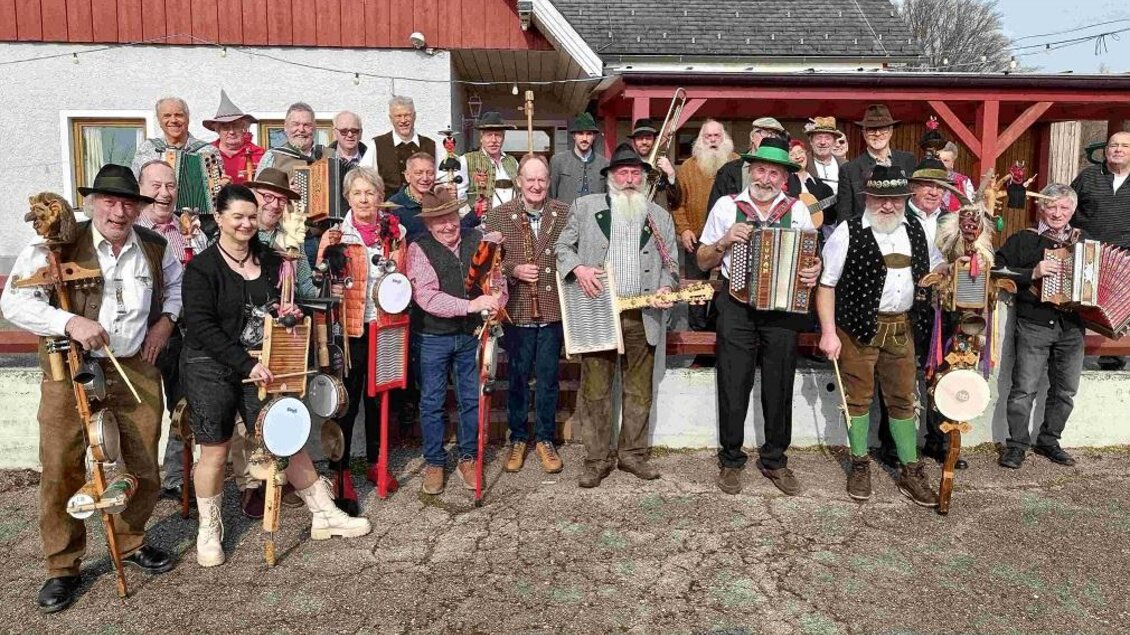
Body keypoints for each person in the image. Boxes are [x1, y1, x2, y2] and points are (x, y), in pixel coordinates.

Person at [2, 164, 181, 612]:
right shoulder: (57, 244)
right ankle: (63, 567)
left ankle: (131, 539)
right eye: (110, 202)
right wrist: (70, 321)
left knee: (142, 459)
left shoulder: (156, 248)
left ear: (140, 208)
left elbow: (176, 290)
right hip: (70, 368)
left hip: (135, 365)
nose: (119, 212)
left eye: (128, 204)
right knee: (62, 464)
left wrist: (164, 322)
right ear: (92, 203)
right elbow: (14, 301)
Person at [181, 184, 371, 568]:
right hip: (210, 366)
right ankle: (209, 529)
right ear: (219, 218)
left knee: (285, 438)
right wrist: (244, 362)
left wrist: (292, 315)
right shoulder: (201, 268)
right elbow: (201, 325)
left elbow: (286, 303)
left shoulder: (271, 259)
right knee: (215, 450)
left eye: (251, 217)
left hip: (263, 363)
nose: (246, 224)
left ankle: (323, 513)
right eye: (237, 217)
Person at [696, 138, 821, 495]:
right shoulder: (726, 206)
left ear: (785, 179)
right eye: (761, 170)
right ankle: (731, 458)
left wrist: (815, 269)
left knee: (779, 384)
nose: (766, 179)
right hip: (735, 304)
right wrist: (723, 242)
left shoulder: (796, 210)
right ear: (750, 171)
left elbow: (810, 259)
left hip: (781, 308)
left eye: (775, 173)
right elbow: (703, 260)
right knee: (733, 382)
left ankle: (775, 460)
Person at [815, 165, 946, 509]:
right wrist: (829, 332)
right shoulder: (847, 231)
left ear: (906, 199)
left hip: (902, 328)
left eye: (895, 199)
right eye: (879, 199)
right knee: (857, 399)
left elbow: (938, 267)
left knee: (903, 400)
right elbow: (826, 284)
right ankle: (859, 462)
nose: (887, 206)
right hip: (857, 328)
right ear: (868, 198)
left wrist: (961, 264)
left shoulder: (917, 230)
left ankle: (909, 470)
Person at [556, 143, 678, 488]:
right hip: (599, 310)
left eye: (635, 173)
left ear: (643, 178)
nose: (628, 179)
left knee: (639, 390)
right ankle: (596, 459)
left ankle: (633, 455)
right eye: (622, 173)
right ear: (609, 177)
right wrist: (578, 267)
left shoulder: (659, 216)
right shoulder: (585, 207)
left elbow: (671, 265)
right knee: (596, 390)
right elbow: (562, 248)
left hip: (643, 314)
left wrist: (667, 288)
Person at [406, 190, 507, 494]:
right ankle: (435, 461)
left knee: (470, 399)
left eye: (451, 217)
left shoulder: (478, 239)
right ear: (429, 224)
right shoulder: (418, 248)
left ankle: (468, 458)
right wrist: (472, 306)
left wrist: (497, 300)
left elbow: (498, 279)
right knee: (432, 401)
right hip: (432, 336)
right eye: (439, 220)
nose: (448, 226)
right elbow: (427, 296)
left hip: (470, 336)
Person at [316, 167, 404, 512]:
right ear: (348, 198)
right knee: (347, 400)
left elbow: (402, 276)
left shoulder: (394, 233)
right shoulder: (338, 235)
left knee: (381, 397)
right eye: (358, 194)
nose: (365, 199)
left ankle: (376, 461)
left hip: (385, 323)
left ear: (380, 197)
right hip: (350, 328)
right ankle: (341, 472)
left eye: (371, 193)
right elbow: (321, 276)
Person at [482, 155, 569, 474]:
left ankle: (545, 438)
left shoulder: (563, 213)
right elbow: (486, 262)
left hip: (551, 309)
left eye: (541, 180)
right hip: (517, 310)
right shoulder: (498, 215)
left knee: (547, 379)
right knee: (517, 378)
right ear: (518, 181)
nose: (536, 185)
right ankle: (517, 438)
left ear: (548, 182)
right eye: (529, 179)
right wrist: (513, 269)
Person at [996, 184, 1086, 469]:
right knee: (1024, 389)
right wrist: (1031, 273)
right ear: (1041, 208)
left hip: (1072, 327)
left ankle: (1049, 441)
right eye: (1052, 207)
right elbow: (997, 270)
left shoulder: (1085, 242)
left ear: (1072, 210)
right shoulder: (1024, 240)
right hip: (1035, 322)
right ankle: (1017, 445)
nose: (1058, 213)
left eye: (1064, 207)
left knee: (1065, 390)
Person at [134, 159, 208, 502]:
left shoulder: (189, 232)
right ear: (140, 189)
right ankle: (139, 483)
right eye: (156, 186)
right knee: (141, 414)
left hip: (182, 332)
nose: (164, 193)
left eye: (170, 187)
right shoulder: (130, 229)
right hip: (138, 337)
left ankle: (178, 479)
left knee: (183, 408)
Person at [904, 157, 969, 470]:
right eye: (927, 185)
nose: (933, 191)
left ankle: (938, 440)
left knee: (943, 373)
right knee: (902, 374)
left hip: (942, 307)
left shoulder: (954, 220)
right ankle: (896, 444)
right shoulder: (899, 216)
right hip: (906, 304)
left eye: (940, 187)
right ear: (913, 188)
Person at [1070, 130, 1130, 370]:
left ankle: (1118, 357)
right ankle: (1083, 358)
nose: (1118, 149)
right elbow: (1067, 207)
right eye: (1113, 145)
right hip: (1089, 255)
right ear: (1105, 151)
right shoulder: (1088, 177)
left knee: (1123, 309)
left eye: (1124, 146)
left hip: (1126, 256)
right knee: (1088, 307)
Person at [672, 121, 737, 332]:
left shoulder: (737, 164)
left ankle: (718, 334)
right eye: (708, 136)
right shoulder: (687, 167)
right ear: (700, 139)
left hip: (731, 238)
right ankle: (697, 336)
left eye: (716, 136)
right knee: (696, 291)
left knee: (726, 290)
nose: (712, 140)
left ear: (724, 138)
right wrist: (684, 229)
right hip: (696, 237)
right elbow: (677, 203)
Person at [834, 104, 917, 222]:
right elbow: (844, 216)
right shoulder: (849, 170)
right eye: (871, 129)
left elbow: (915, 201)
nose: (877, 134)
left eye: (883, 128)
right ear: (863, 132)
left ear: (891, 131)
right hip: (866, 236)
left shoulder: (908, 161)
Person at [707, 117, 796, 213]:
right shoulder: (728, 171)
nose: (769, 137)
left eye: (774, 134)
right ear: (752, 137)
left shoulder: (786, 172)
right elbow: (715, 212)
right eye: (764, 133)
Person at [389, 151, 477, 243]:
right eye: (419, 173)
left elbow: (454, 231)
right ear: (407, 176)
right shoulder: (394, 206)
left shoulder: (440, 198)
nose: (425, 178)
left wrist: (475, 214)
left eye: (430, 173)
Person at [450, 111, 519, 216]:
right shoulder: (466, 160)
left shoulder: (512, 161)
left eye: (498, 135)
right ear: (481, 138)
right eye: (489, 135)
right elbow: (459, 197)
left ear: (503, 138)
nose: (493, 140)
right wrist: (471, 217)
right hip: (482, 225)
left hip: (512, 222)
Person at [131, 96, 218, 176]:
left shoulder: (207, 151)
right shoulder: (147, 148)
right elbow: (134, 185)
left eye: (178, 115)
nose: (173, 120)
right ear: (159, 121)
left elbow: (217, 189)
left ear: (188, 118)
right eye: (167, 116)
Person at [369, 95, 437, 194]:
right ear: (391, 118)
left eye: (407, 115)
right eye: (398, 116)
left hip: (425, 208)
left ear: (414, 116)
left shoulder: (430, 145)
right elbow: (366, 180)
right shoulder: (377, 145)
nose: (403, 120)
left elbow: (439, 179)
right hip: (389, 207)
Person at [204, 90, 263, 185]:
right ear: (218, 130)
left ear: (244, 128)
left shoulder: (259, 154)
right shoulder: (205, 153)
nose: (231, 132)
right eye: (226, 127)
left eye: (236, 126)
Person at [549, 112, 609, 205]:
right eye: (580, 133)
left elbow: (608, 197)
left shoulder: (604, 164)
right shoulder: (558, 161)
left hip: (595, 217)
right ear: (574, 136)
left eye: (589, 134)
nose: (584, 138)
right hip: (565, 217)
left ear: (594, 136)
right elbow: (550, 196)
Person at [626, 117, 681, 210]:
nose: (644, 142)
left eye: (648, 138)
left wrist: (671, 175)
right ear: (634, 141)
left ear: (654, 139)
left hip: (659, 221)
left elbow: (676, 202)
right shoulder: (626, 165)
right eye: (640, 138)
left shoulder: (663, 164)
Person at [256, 102, 320, 177]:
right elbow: (259, 188)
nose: (301, 129)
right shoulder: (272, 156)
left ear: (315, 127)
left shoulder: (330, 155)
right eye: (296, 124)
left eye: (306, 125)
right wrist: (285, 188)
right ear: (286, 127)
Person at [935, 142, 975, 212]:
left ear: (952, 163)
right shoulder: (924, 179)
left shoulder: (963, 182)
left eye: (946, 160)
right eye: (938, 160)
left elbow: (970, 210)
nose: (941, 164)